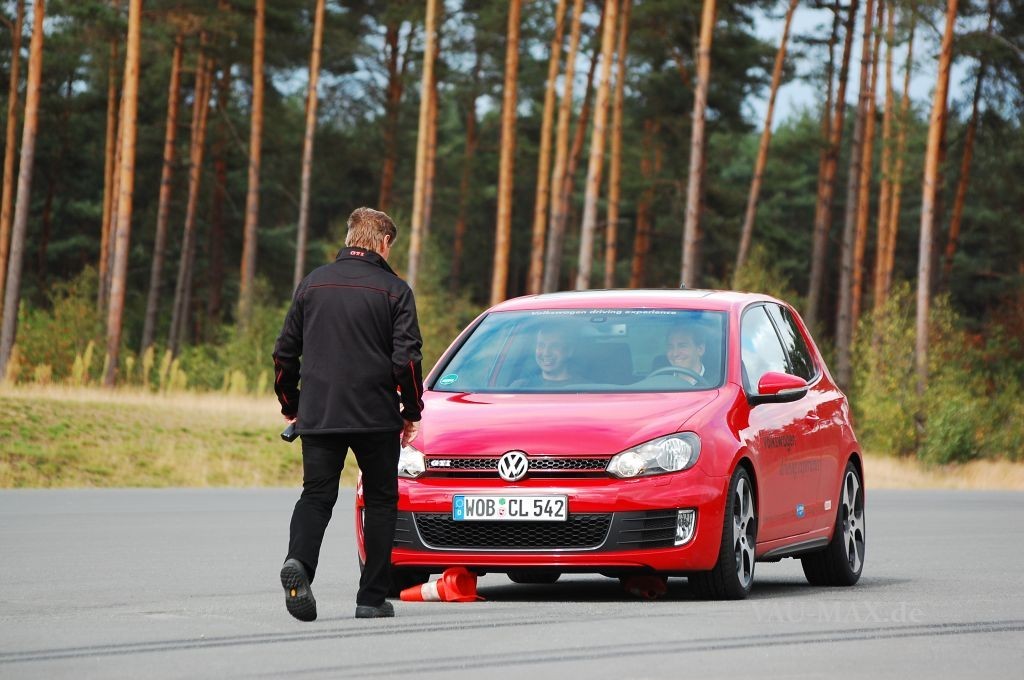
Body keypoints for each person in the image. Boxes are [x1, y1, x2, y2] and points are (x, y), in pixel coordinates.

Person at [272, 207, 423, 621]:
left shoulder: (313, 283)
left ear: (350, 237)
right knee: (380, 501)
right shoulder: (395, 290)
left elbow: (284, 353)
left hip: (320, 413)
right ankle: (371, 599)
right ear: (384, 242)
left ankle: (299, 564)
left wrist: (292, 406)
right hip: (376, 416)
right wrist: (411, 411)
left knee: (316, 495)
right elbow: (407, 361)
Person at [513, 324, 580, 388]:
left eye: (554, 346)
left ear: (569, 351)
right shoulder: (520, 386)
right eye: (541, 345)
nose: (546, 353)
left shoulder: (582, 388)